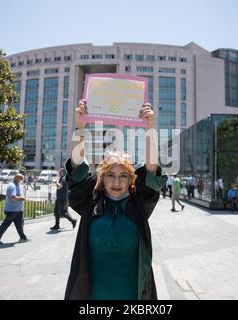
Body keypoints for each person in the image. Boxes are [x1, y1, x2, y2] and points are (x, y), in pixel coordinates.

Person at [64, 99, 167, 300]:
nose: (117, 182)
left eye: (123, 176)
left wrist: (150, 127)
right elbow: (77, 167)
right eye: (111, 175)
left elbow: (151, 169)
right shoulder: (90, 202)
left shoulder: (139, 205)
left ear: (131, 179)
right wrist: (80, 125)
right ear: (102, 178)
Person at [0, 173, 28, 244]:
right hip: (12, 210)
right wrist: (22, 198)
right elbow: (12, 198)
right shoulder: (12, 186)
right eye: (20, 179)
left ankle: (23, 238)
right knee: (6, 224)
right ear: (16, 178)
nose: (21, 180)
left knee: (19, 225)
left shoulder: (17, 185)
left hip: (17, 210)